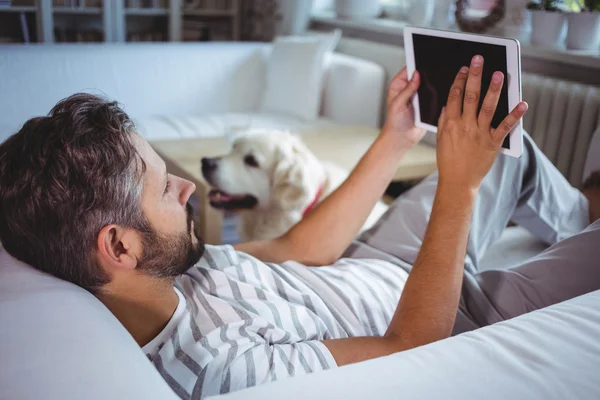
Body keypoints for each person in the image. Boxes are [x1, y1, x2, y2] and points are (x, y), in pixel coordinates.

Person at [0, 56, 598, 399]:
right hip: (437, 308)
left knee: (512, 152)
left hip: (368, 263)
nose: (188, 187)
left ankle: (576, 210)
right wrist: (458, 188)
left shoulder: (169, 273)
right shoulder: (220, 366)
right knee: (486, 170)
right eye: (163, 186)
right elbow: (410, 347)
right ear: (118, 246)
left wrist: (396, 139)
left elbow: (297, 247)